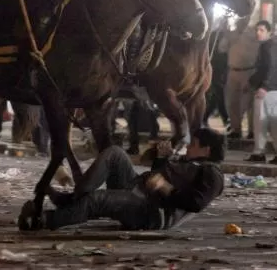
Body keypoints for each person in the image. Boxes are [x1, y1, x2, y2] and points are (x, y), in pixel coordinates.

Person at [21, 128, 225, 231]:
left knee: (98, 200)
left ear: (207, 150)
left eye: (194, 144)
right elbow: (157, 176)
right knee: (114, 153)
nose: (189, 147)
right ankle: (74, 197)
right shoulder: (188, 161)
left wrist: (166, 188)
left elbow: (195, 203)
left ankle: (43, 220)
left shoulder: (212, 174)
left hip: (152, 212)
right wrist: (163, 158)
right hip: (139, 189)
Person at [246, 20, 277, 163]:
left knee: (262, 122)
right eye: (257, 30)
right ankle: (259, 152)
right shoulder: (268, 46)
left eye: (261, 30)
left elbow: (271, 68)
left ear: (269, 32)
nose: (258, 33)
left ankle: (259, 152)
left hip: (267, 91)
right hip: (270, 89)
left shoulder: (269, 46)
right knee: (270, 122)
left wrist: (264, 86)